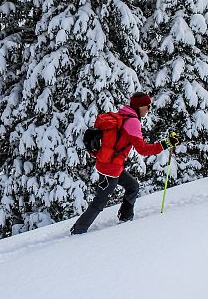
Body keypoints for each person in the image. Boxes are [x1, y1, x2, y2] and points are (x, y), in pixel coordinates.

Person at [70, 92, 180, 235]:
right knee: (100, 202)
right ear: (140, 106)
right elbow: (143, 150)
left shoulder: (123, 114)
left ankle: (125, 218)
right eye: (147, 106)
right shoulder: (132, 122)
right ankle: (78, 230)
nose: (149, 109)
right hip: (111, 169)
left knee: (132, 186)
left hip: (109, 165)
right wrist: (165, 144)